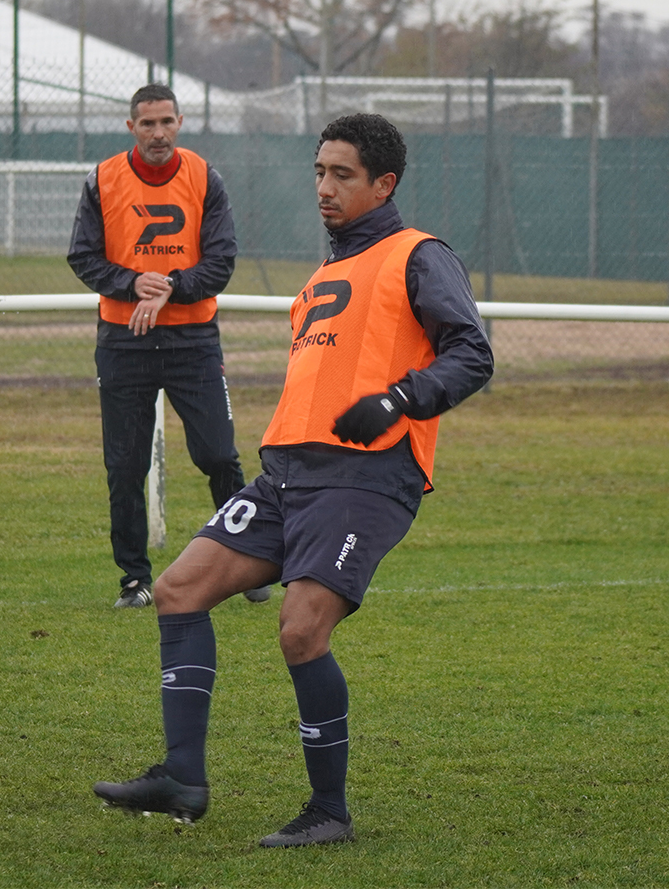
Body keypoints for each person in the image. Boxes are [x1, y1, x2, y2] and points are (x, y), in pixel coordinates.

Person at [92, 113, 494, 846]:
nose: (325, 188)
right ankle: (182, 775)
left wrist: (399, 399)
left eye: (343, 175)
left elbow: (472, 353)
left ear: (385, 184)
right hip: (288, 477)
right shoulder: (320, 280)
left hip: (366, 479)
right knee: (180, 589)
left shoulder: (418, 255)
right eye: (319, 172)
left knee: (301, 627)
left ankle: (329, 813)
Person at [68, 83, 266, 609]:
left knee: (219, 454)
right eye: (147, 124)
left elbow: (221, 261)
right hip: (123, 340)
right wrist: (134, 284)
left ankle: (247, 563)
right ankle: (134, 581)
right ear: (131, 127)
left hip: (193, 340)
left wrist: (172, 286)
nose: (158, 133)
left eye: (166, 122)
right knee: (126, 466)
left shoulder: (205, 178)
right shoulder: (102, 180)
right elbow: (82, 256)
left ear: (180, 122)